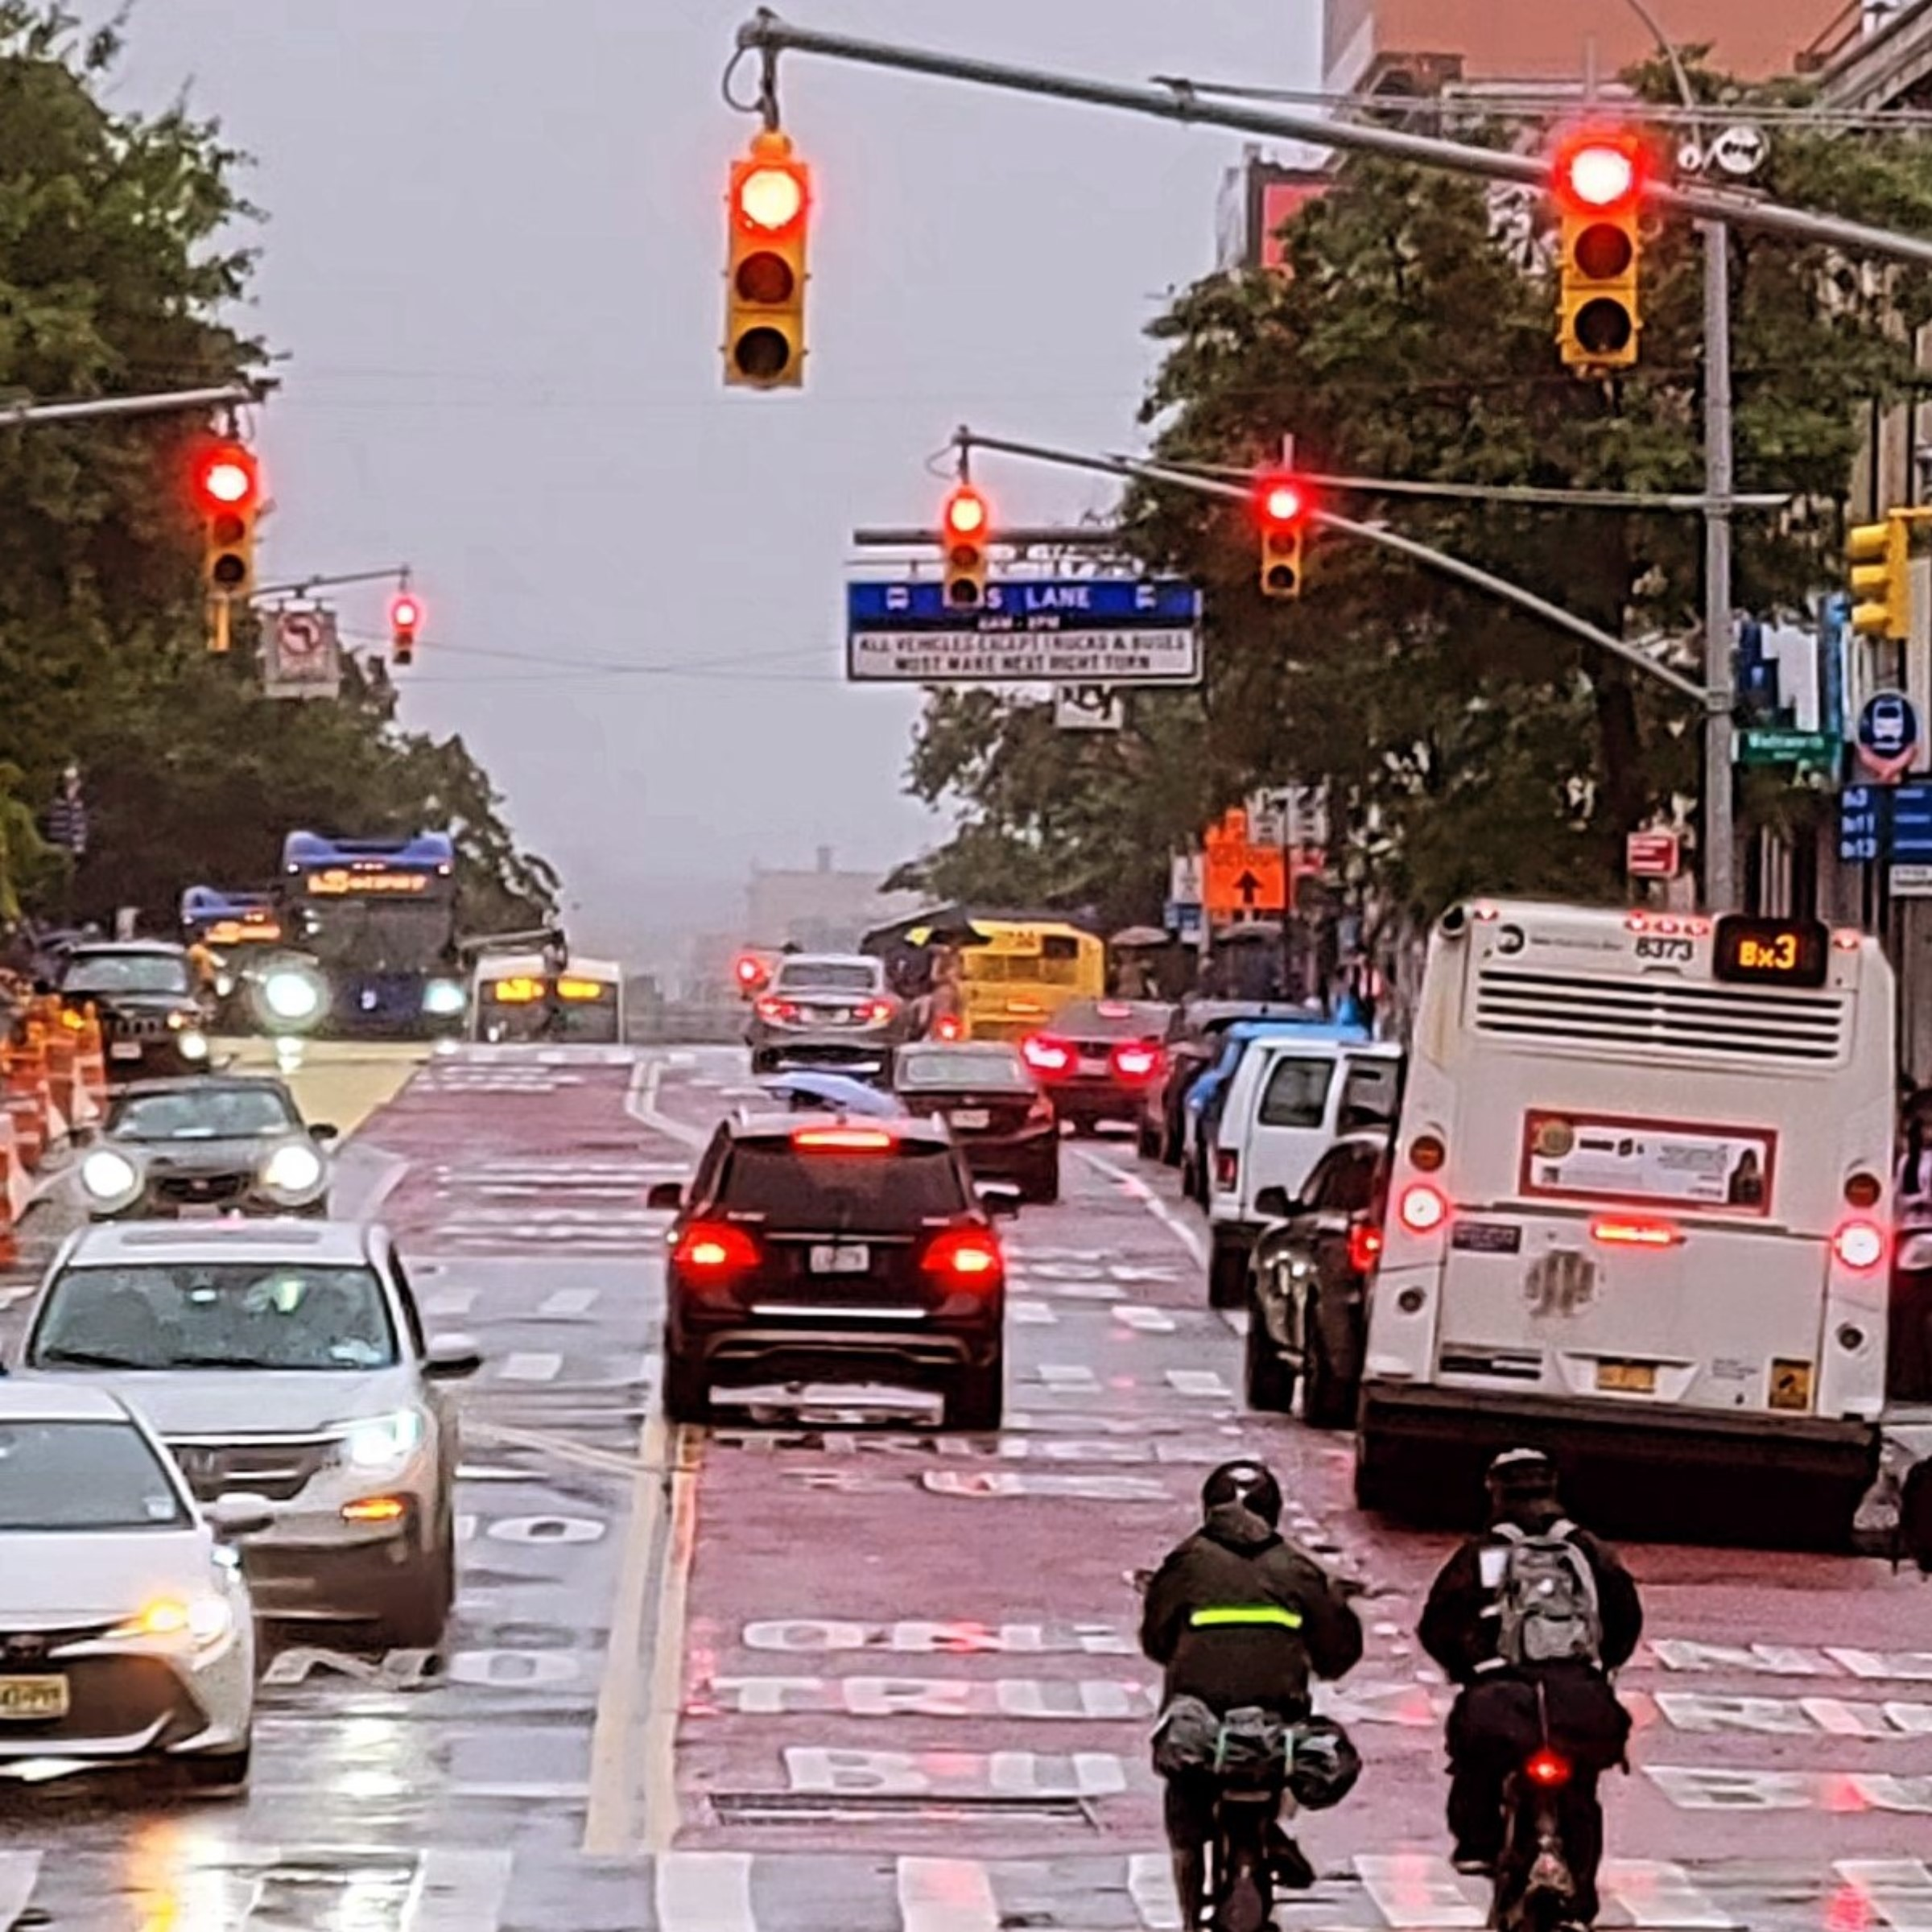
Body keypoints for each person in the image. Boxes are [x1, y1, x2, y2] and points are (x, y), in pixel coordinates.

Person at [1418, 1449, 1641, 1925]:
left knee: (1476, 1762)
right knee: (1580, 1791)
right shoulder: (1589, 1552)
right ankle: (1579, 1897)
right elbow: (1625, 1619)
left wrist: (1470, 1670)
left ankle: (1477, 1846)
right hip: (1582, 1704)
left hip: (1501, 1702)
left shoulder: (1485, 1554)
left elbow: (1439, 1623)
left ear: (1494, 1490)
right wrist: (1599, 1670)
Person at [1141, 1459, 1364, 1928]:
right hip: (1276, 1715)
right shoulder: (1299, 1568)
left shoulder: (1185, 1563)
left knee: (1185, 1799)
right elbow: (1338, 1648)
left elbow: (1156, 1639)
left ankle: (1189, 1911)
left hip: (1202, 1715)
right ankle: (1273, 1834)